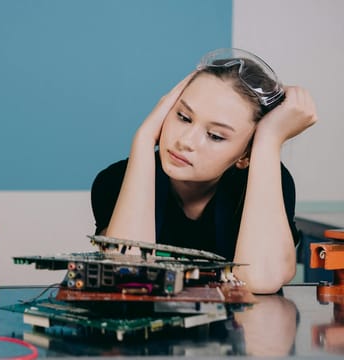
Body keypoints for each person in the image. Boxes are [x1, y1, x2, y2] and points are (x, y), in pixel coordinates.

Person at [91, 48, 317, 294]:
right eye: (183, 117)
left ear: (245, 155)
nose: (186, 141)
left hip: (240, 331)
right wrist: (144, 138)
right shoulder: (115, 180)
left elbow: (261, 280)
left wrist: (269, 140)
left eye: (215, 136)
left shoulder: (270, 181)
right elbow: (128, 276)